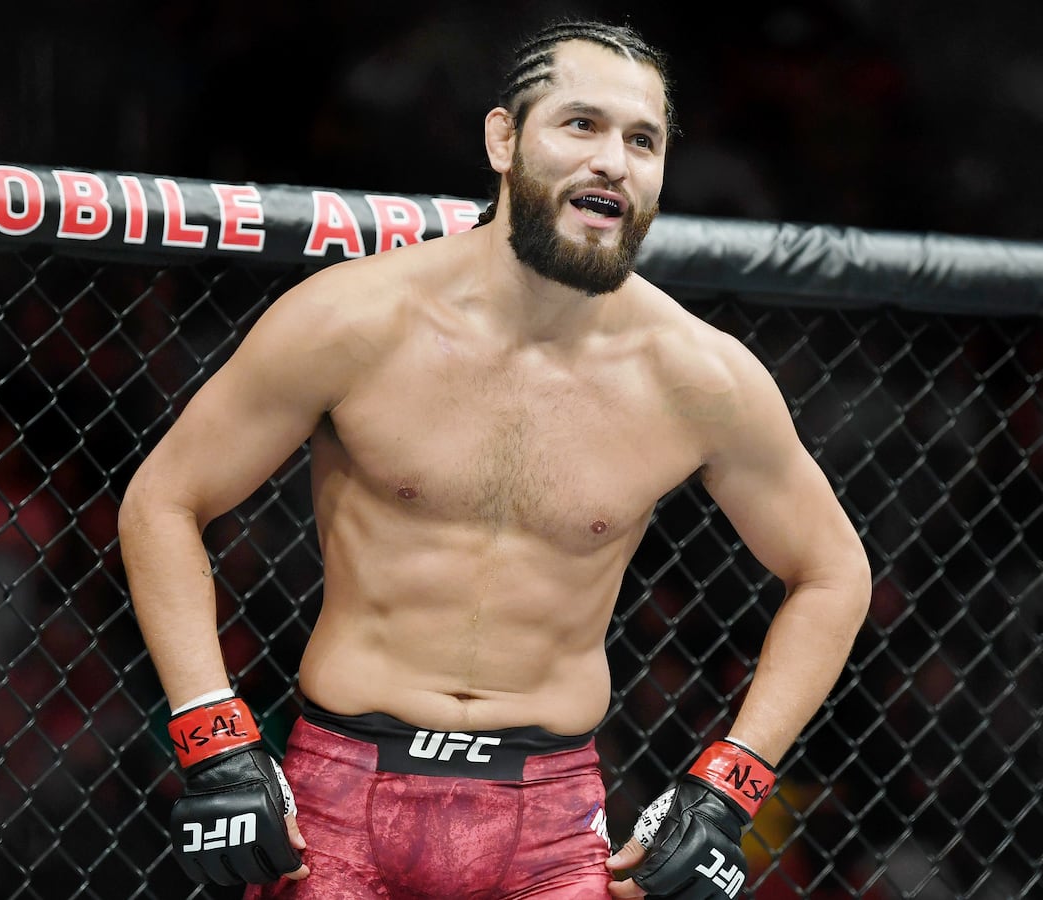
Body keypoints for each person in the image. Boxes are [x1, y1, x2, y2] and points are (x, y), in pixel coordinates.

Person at [118, 18, 870, 899]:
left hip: (550, 821)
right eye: (581, 125)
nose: (613, 161)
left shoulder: (700, 377)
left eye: (642, 140)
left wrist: (728, 787)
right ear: (503, 139)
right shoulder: (354, 320)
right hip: (340, 798)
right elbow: (164, 499)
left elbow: (833, 573)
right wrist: (213, 738)